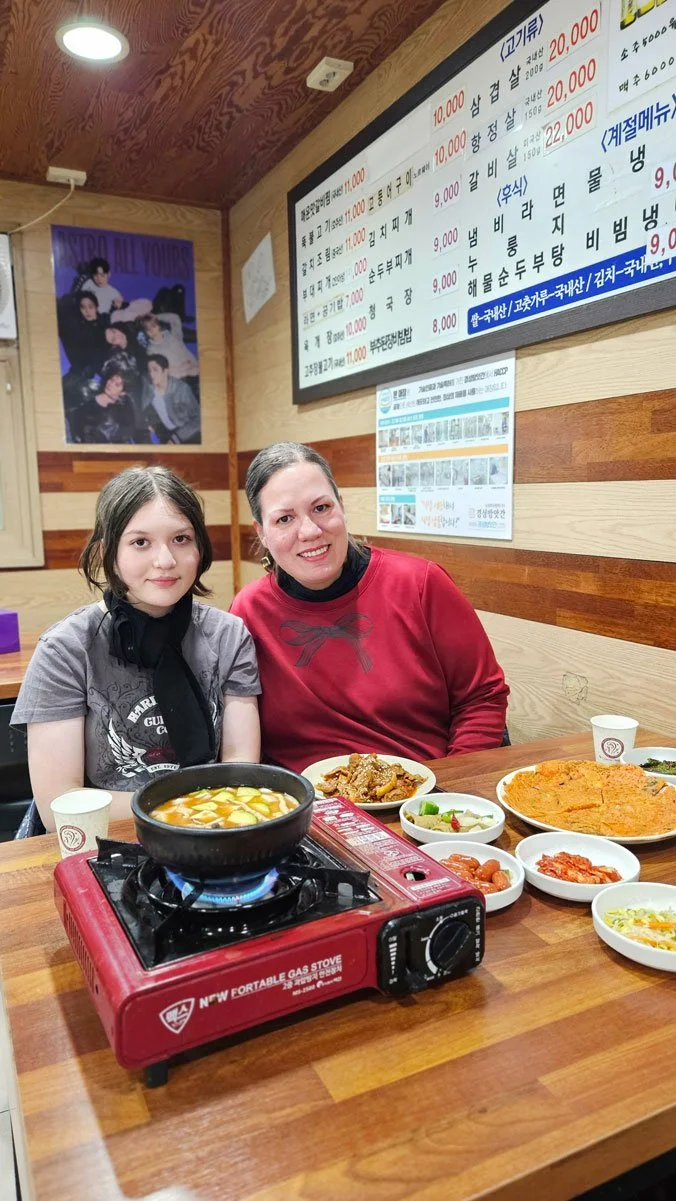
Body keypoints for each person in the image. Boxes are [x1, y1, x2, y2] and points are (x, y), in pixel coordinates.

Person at [230, 442, 509, 774]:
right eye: (284, 519)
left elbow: (481, 698)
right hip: (303, 810)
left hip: (419, 796)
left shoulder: (420, 584)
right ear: (261, 532)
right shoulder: (248, 611)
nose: (309, 531)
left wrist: (449, 792)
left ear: (341, 507)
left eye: (321, 508)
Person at [12, 466, 261, 834]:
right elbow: (59, 808)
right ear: (108, 553)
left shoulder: (228, 636)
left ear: (200, 548)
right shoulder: (65, 650)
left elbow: (241, 769)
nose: (165, 560)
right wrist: (194, 806)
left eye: (181, 538)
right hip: (104, 840)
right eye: (140, 542)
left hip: (213, 835)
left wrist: (203, 813)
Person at [69, 367, 138, 444]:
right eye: (111, 379)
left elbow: (125, 435)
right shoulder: (88, 396)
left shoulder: (124, 411)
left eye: (117, 384)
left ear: (123, 393)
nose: (110, 384)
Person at [143, 353, 201, 444]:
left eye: (155, 370)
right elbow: (146, 408)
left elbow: (198, 419)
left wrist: (177, 438)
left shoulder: (181, 389)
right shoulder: (150, 389)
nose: (151, 374)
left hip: (186, 433)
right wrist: (151, 423)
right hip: (165, 433)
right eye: (149, 370)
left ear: (165, 371)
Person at [140, 312, 199, 380]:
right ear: (145, 332)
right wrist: (181, 368)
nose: (152, 331)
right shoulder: (151, 350)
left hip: (195, 370)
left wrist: (156, 316)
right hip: (180, 379)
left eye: (153, 326)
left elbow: (175, 318)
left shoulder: (173, 335)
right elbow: (160, 371)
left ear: (158, 326)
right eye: (148, 329)